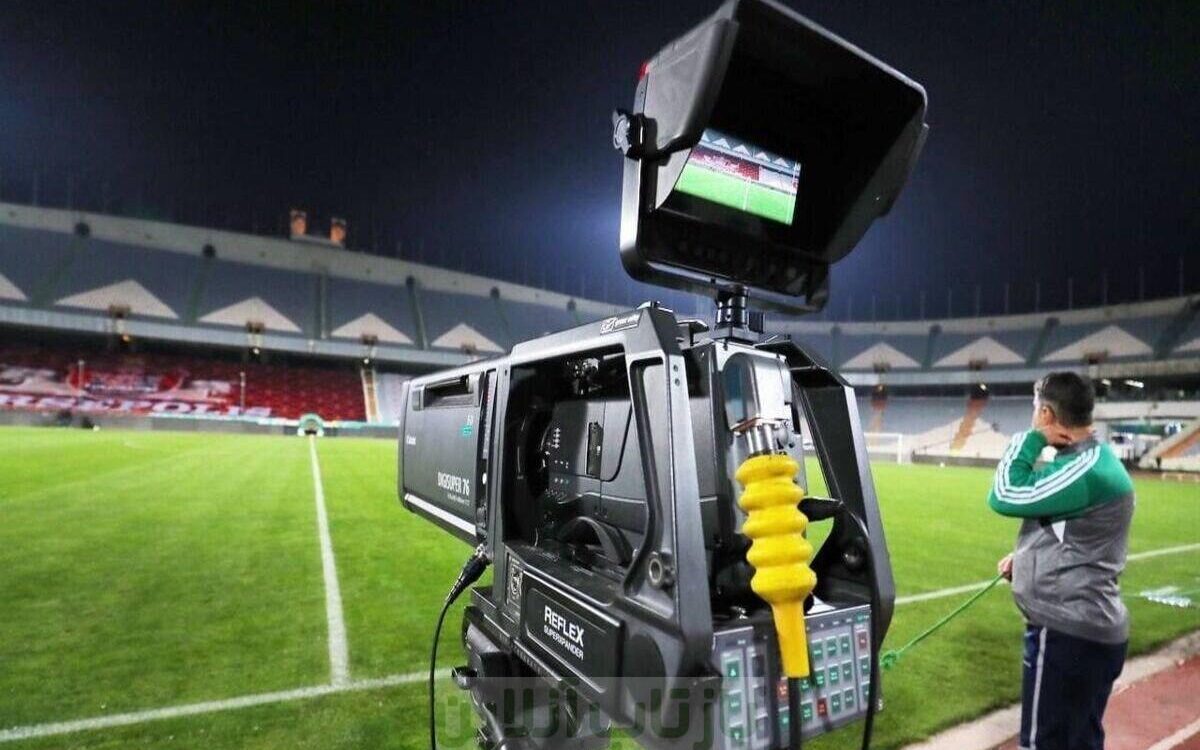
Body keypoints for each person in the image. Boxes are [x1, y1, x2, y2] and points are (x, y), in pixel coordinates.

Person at [988, 372, 1135, 750]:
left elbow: (1004, 493)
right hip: (1087, 630)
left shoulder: (1085, 468)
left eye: (1036, 410)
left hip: (1067, 634)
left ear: (1047, 414)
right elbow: (1074, 535)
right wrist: (1026, 560)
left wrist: (1031, 439)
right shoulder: (1091, 461)